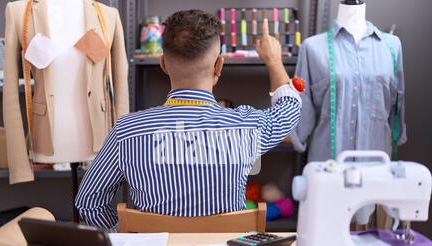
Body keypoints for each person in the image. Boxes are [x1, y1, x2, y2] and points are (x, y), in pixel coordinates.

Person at [75, 10, 302, 231]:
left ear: (163, 64)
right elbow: (290, 108)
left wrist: (126, 238)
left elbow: (89, 202)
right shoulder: (247, 127)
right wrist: (273, 61)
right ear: (218, 65)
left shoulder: (126, 131)